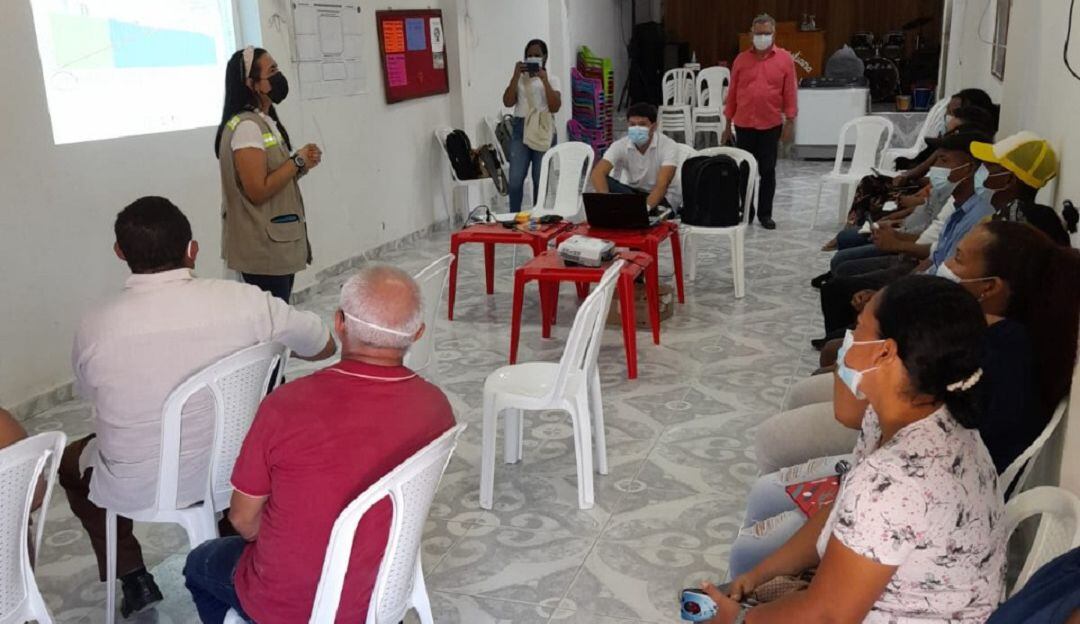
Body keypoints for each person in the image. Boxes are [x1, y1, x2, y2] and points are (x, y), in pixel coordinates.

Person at [61, 197, 336, 617]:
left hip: (140, 484)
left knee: (70, 464)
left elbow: (88, 393)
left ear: (120, 253)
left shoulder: (95, 324)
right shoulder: (247, 302)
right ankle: (232, 546)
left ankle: (132, 575)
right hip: (237, 473)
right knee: (232, 442)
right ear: (193, 249)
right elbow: (323, 344)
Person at [703, 276, 1004, 623]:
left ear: (885, 351)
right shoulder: (924, 413)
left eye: (859, 328)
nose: (849, 339)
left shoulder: (893, 480)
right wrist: (761, 574)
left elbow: (827, 615)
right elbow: (842, 510)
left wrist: (738, 619)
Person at [183, 265, 456, 624]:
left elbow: (242, 518)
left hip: (290, 604)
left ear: (340, 323)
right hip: (382, 590)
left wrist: (291, 546)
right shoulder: (436, 408)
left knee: (199, 563)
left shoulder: (286, 405)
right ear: (417, 333)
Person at [754, 217, 1080, 478]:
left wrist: (862, 333)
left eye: (959, 258)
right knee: (801, 394)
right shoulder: (985, 326)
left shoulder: (991, 351)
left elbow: (856, 411)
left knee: (772, 439)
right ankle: (794, 485)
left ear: (989, 286)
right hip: (906, 429)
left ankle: (786, 494)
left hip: (923, 457)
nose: (947, 264)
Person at [215, 46, 322, 303]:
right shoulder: (247, 128)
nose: (278, 76)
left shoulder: (263, 120)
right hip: (262, 250)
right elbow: (257, 190)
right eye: (271, 71)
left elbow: (275, 176)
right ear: (252, 84)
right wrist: (296, 160)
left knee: (278, 319)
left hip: (276, 244)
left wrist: (301, 164)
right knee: (272, 325)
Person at [721, 13, 798, 230]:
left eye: (766, 33)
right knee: (745, 171)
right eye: (758, 33)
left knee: (767, 171)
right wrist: (727, 125)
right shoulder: (741, 60)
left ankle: (765, 214)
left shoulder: (784, 59)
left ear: (773, 34)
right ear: (751, 34)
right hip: (744, 124)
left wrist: (790, 122)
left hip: (771, 124)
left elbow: (790, 92)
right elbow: (733, 92)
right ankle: (746, 212)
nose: (762, 37)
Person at [502, 38, 562, 213]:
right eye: (529, 56)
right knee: (515, 178)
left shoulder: (553, 79)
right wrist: (515, 76)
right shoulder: (519, 79)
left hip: (543, 128)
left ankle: (539, 217)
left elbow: (555, 107)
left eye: (537, 55)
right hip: (521, 128)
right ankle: (514, 216)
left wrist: (545, 81)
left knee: (539, 177)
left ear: (545, 57)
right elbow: (507, 101)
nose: (533, 58)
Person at [590, 102, 681, 209]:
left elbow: (662, 185)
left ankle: (635, 210)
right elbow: (598, 173)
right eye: (632, 124)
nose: (637, 128)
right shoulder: (620, 145)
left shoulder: (668, 146)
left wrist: (644, 209)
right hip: (634, 193)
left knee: (653, 213)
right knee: (604, 181)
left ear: (654, 126)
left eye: (642, 124)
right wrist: (607, 202)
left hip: (662, 198)